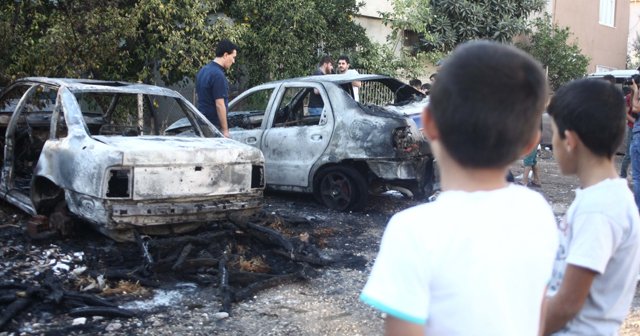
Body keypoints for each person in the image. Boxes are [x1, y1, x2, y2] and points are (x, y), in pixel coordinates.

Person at [360, 41, 558, 336]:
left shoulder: (411, 231)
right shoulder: (539, 213)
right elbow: (537, 317)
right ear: (531, 143)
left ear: (428, 123)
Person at [543, 78, 640, 335]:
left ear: (570, 141)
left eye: (553, 133)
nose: (552, 144)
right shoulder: (606, 198)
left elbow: (567, 304)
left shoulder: (598, 208)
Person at [195, 39, 238, 138]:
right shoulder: (218, 75)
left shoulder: (203, 71)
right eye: (233, 57)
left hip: (201, 123)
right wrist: (225, 130)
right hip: (213, 127)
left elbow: (199, 97)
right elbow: (220, 104)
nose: (233, 61)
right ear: (226, 55)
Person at [621, 80, 639, 178]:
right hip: (633, 128)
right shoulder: (629, 97)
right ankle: (623, 176)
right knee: (628, 154)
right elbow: (626, 114)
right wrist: (635, 122)